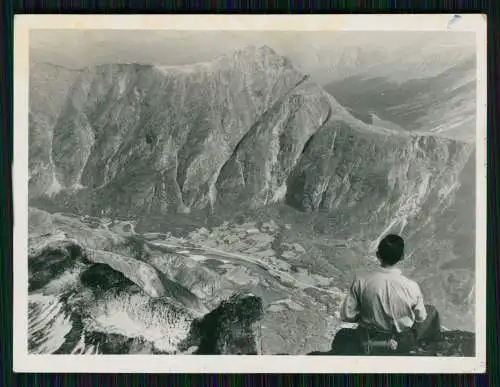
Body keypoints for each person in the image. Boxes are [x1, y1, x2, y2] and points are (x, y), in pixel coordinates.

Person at [331, 234, 441, 355]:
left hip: (368, 339)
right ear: (402, 257)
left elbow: (347, 316)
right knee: (432, 311)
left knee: (343, 335)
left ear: (378, 255)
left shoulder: (360, 281)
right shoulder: (412, 286)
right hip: (401, 343)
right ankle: (430, 349)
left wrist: (368, 314)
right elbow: (421, 318)